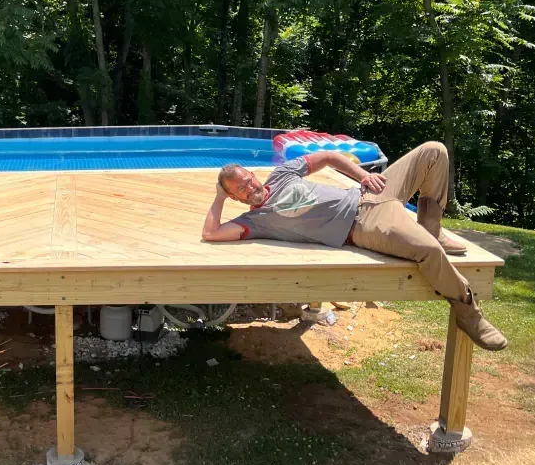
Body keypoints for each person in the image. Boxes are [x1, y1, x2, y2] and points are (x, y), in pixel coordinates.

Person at [201, 141, 507, 351]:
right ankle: (469, 313)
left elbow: (330, 157)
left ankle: (432, 227)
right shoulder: (254, 221)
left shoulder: (281, 174)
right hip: (363, 225)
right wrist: (218, 195)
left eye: (247, 180)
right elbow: (211, 233)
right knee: (428, 251)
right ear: (235, 198)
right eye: (239, 190)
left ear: (253, 175)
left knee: (434, 152)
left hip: (368, 193)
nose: (249, 188)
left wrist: (364, 175)